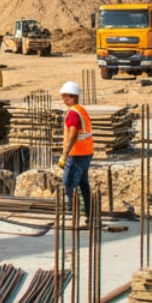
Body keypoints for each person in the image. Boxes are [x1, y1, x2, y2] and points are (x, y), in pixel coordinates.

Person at [58, 80, 94, 217]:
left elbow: (73, 134)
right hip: (86, 151)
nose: (66, 99)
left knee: (69, 183)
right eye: (64, 96)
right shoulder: (80, 110)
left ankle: (74, 211)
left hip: (77, 153)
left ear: (76, 97)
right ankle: (88, 213)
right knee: (83, 183)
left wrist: (65, 155)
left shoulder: (73, 113)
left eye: (69, 96)